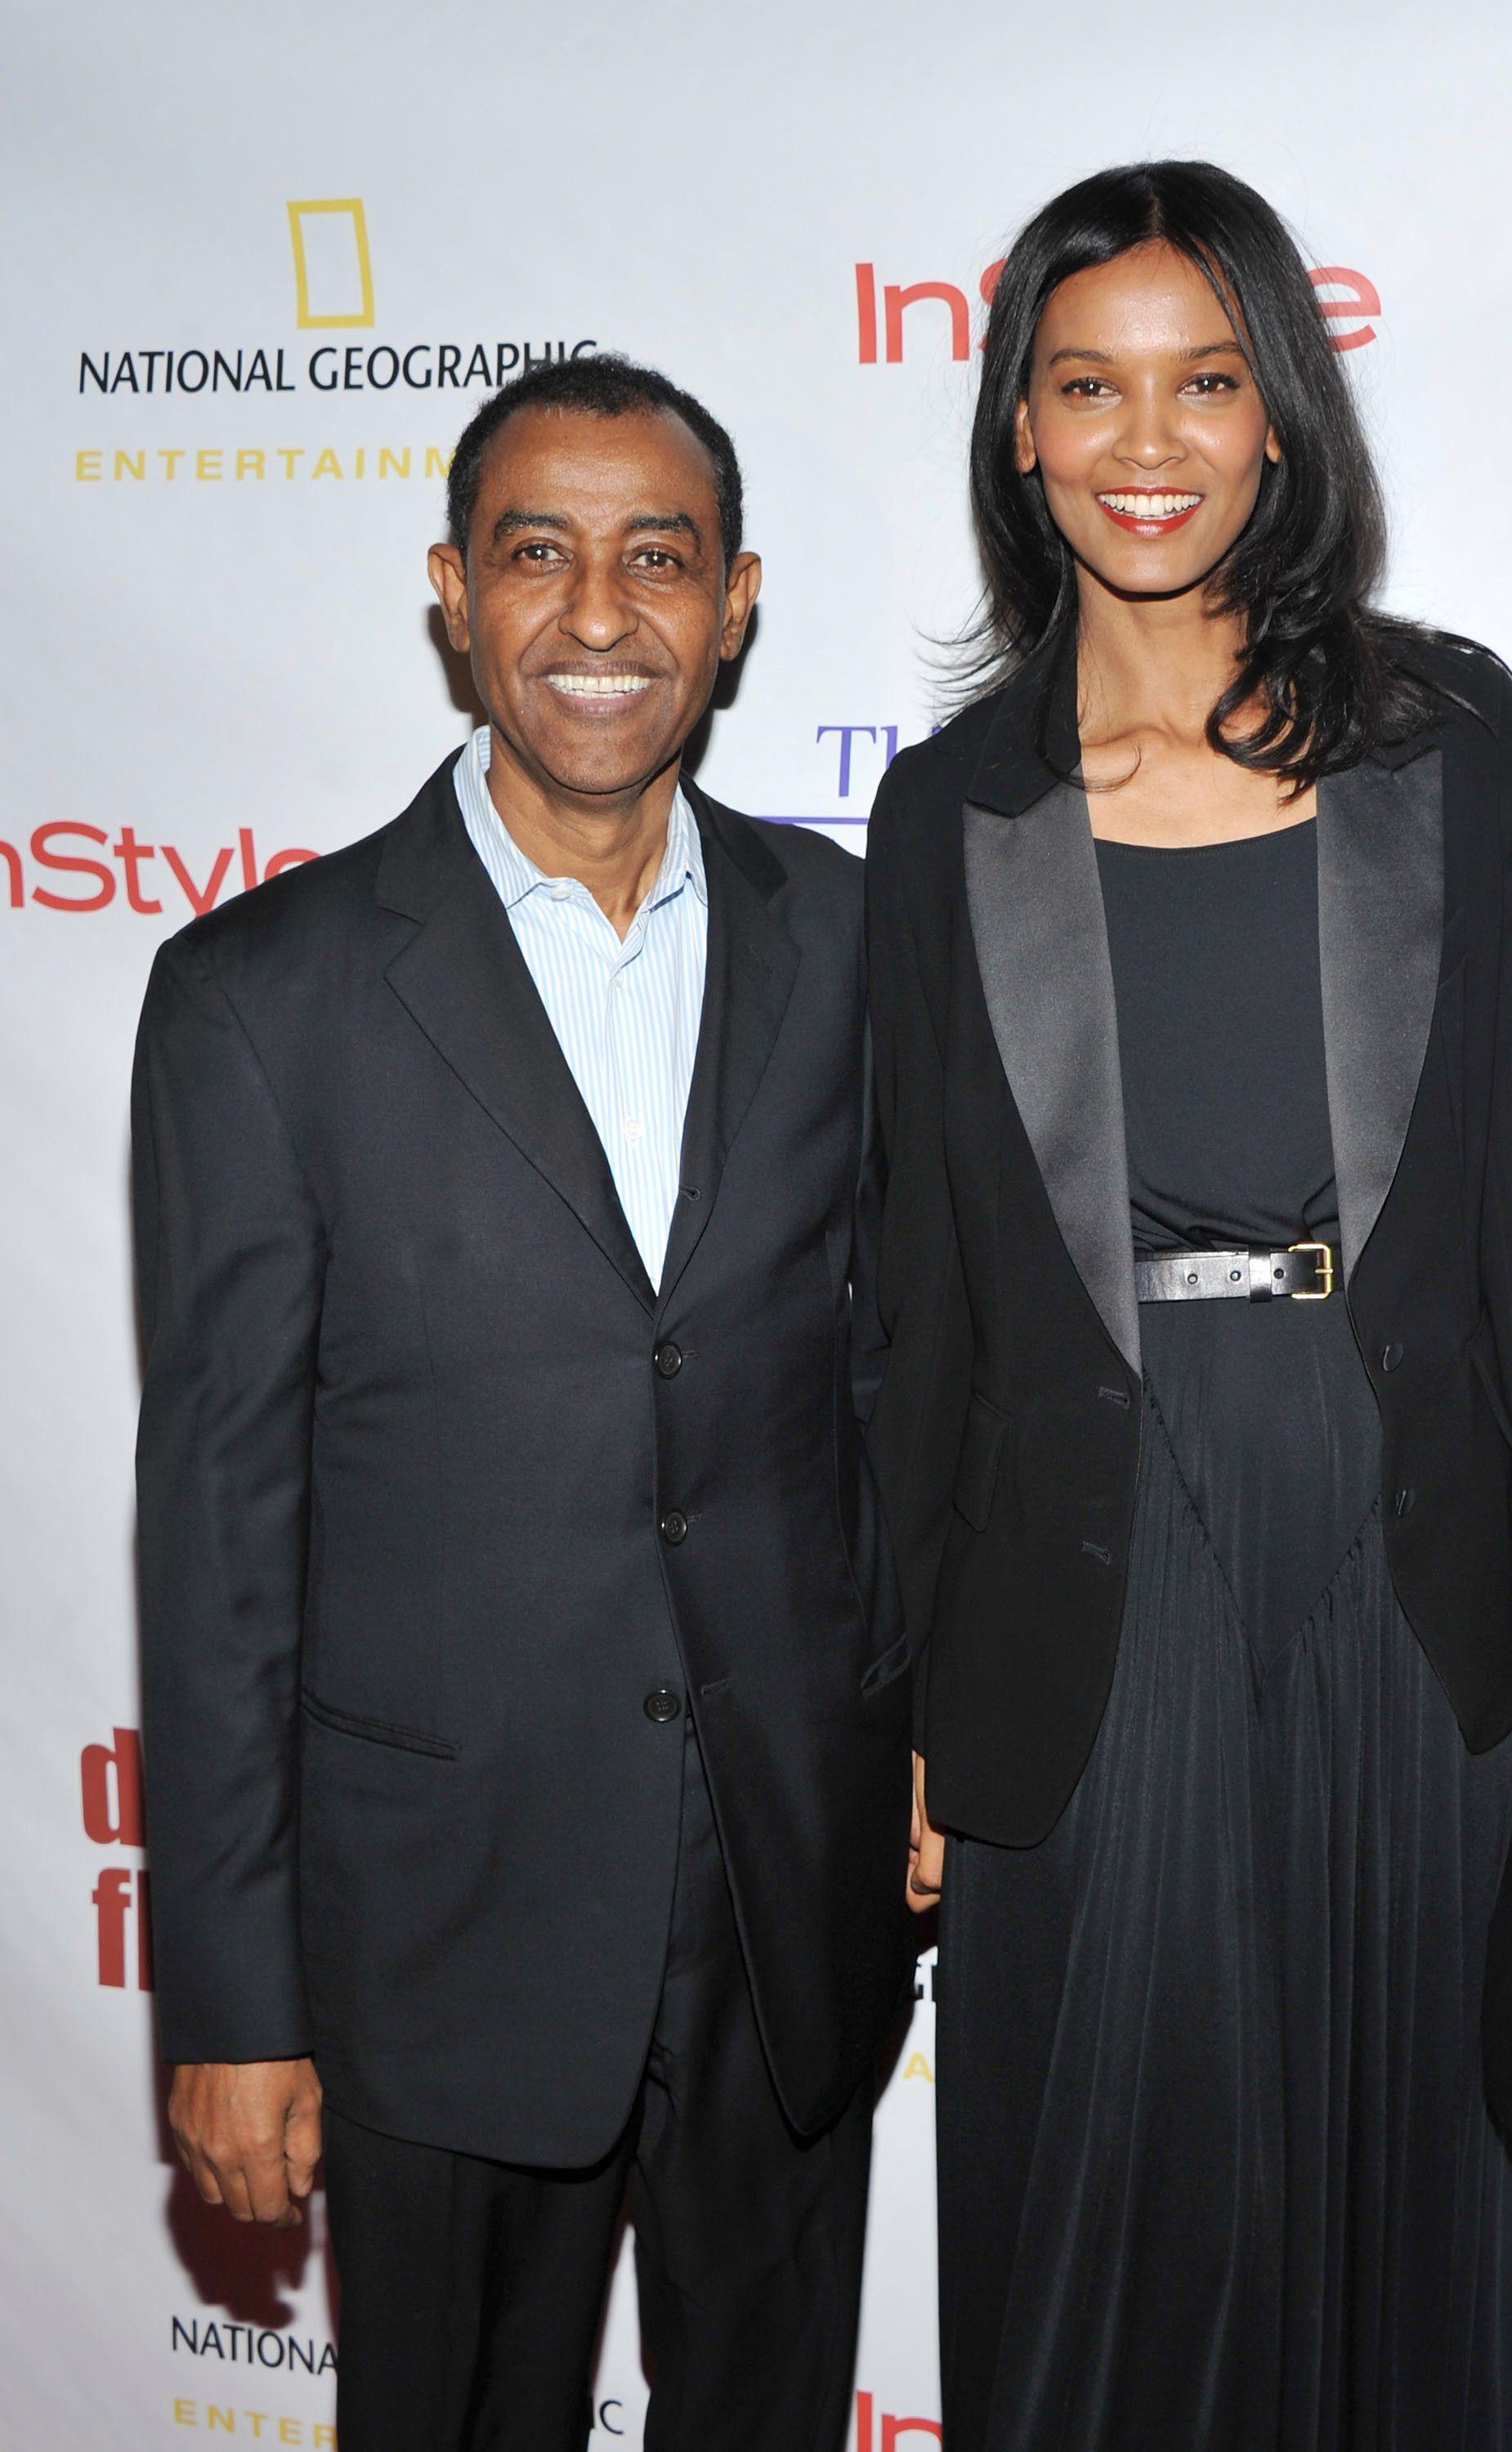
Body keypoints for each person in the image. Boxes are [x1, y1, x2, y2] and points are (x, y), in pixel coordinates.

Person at [863, 161, 1512, 2451]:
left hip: (1392, 1543)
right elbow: (912, 1307)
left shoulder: (1441, 740)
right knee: (1091, 2230)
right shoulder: (948, 814)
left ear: (1276, 412)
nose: (1147, 441)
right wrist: (905, 1712)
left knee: (1383, 2206)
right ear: (1018, 426)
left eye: (1202, 382)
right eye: (1087, 385)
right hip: (1076, 1569)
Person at [133, 351, 912, 2451]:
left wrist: (930, 1732)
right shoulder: (261, 996)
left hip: (787, 1898)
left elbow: (894, 1380)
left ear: (735, 602)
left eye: (657, 557)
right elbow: (219, 1539)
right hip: (441, 1923)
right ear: (452, 592)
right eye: (536, 553)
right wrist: (232, 2003)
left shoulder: (857, 936)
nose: (596, 614)